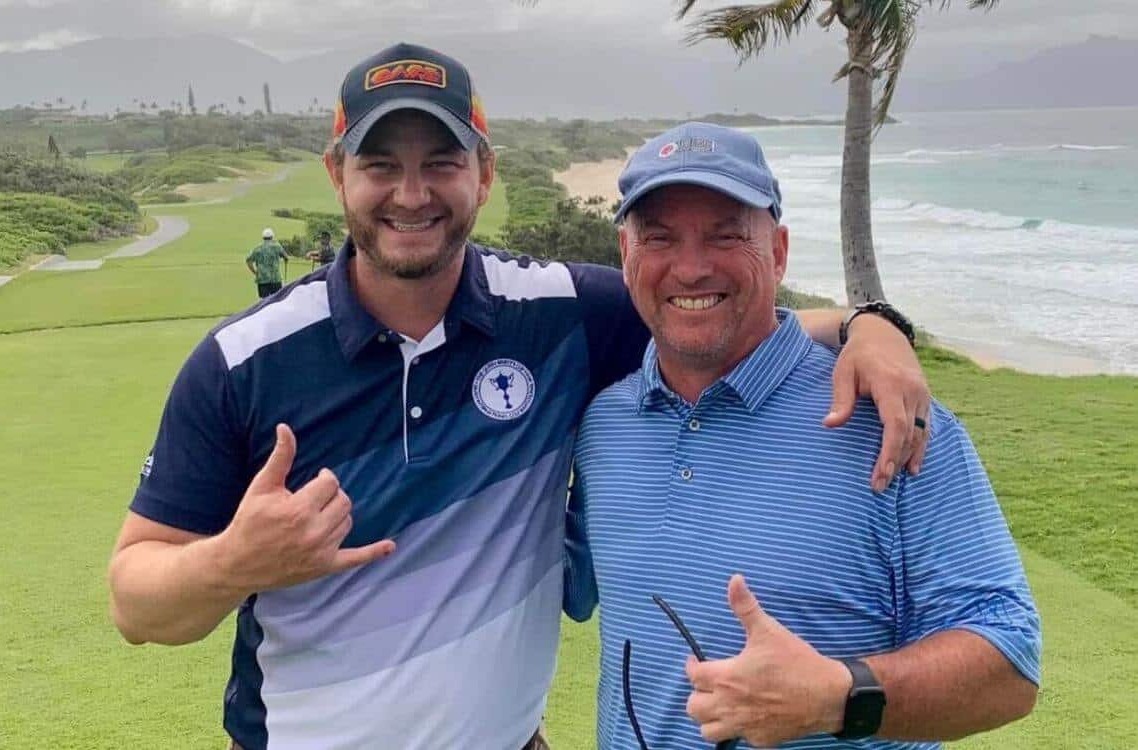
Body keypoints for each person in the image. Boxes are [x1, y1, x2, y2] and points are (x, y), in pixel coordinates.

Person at [108, 44, 932, 750]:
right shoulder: (242, 361)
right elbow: (135, 602)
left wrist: (872, 326)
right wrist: (233, 564)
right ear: (337, 175)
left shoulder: (560, 313)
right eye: (380, 165)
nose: (411, 193)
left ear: (484, 171)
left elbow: (723, 315)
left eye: (441, 162)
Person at [563, 123, 1041, 750]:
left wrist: (838, 696)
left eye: (727, 234)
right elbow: (561, 583)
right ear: (626, 257)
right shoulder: (605, 426)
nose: (691, 266)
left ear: (780, 251)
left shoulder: (890, 420)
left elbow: (1011, 664)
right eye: (659, 237)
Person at [246, 227, 289, 298]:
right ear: (272, 236)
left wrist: (255, 272)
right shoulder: (277, 246)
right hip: (275, 279)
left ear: (263, 237)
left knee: (264, 302)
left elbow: (248, 260)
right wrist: (285, 260)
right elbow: (286, 257)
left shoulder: (258, 248)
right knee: (276, 300)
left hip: (262, 280)